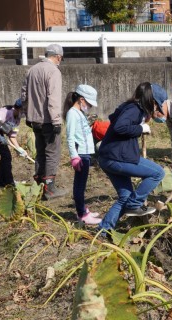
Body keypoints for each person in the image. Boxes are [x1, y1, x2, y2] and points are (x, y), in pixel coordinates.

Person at [97, 82, 165, 233]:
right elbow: (119, 127)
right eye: (156, 105)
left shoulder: (129, 107)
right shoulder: (134, 109)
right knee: (158, 173)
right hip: (117, 157)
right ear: (151, 101)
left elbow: (116, 121)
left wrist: (140, 124)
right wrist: (140, 128)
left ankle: (103, 230)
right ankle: (135, 204)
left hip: (107, 157)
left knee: (125, 196)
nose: (156, 109)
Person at [21, 43, 66, 200]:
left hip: (34, 119)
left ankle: (39, 185)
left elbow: (24, 95)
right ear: (58, 56)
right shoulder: (53, 71)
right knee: (52, 153)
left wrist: (27, 114)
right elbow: (53, 98)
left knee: (40, 152)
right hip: (48, 119)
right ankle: (50, 189)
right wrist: (56, 121)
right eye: (61, 58)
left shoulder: (32, 70)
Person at [63, 84, 102, 225]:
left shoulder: (80, 113)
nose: (90, 106)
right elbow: (70, 137)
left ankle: (83, 210)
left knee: (82, 184)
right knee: (79, 186)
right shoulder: (72, 113)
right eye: (89, 103)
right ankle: (82, 215)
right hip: (80, 155)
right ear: (81, 99)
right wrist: (74, 156)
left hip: (86, 153)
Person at [0, 99, 27, 187]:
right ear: (17, 109)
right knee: (6, 155)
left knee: (5, 155)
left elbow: (12, 136)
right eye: (23, 110)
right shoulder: (5, 113)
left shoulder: (17, 119)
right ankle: (9, 182)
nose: (24, 113)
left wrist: (19, 148)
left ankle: (1, 182)